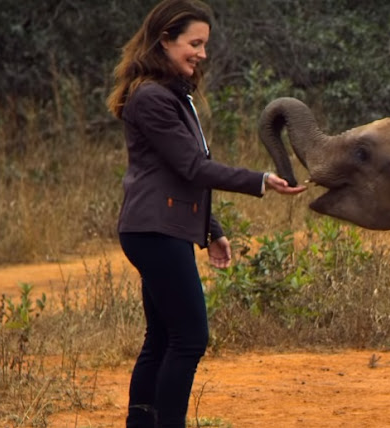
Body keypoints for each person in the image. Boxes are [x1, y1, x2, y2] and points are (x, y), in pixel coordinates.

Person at [106, 0, 305, 426]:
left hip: (159, 227)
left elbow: (179, 173)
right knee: (190, 339)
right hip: (155, 231)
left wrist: (211, 228)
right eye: (193, 43)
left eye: (204, 45)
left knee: (161, 338)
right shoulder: (153, 98)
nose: (201, 53)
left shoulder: (170, 94)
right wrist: (261, 180)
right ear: (165, 40)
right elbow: (193, 167)